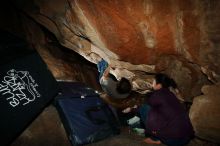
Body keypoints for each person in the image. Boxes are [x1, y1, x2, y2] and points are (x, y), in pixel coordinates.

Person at [123, 73, 194, 146]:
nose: (152, 83)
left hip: (172, 140)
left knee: (144, 108)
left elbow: (146, 109)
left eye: (153, 81)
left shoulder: (157, 95)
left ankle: (155, 139)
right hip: (186, 137)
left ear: (159, 85)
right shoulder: (171, 94)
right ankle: (161, 136)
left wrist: (132, 109)